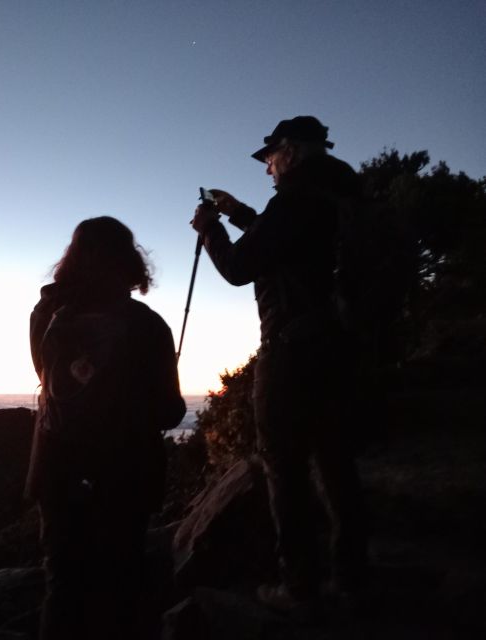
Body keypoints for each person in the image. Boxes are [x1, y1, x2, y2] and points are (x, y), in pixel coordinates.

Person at [191, 116, 369, 614]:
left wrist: (209, 230)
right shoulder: (342, 196)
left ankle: (299, 586)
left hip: (292, 352)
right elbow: (288, 246)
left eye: (270, 158)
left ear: (289, 151)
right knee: (336, 460)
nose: (268, 169)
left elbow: (238, 268)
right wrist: (239, 212)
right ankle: (352, 576)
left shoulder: (292, 201)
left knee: (284, 467)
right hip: (341, 345)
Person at [27, 216, 186, 640]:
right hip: (125, 473)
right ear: (129, 261)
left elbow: (49, 379)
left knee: (62, 586)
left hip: (57, 467)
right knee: (120, 585)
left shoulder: (45, 314)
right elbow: (169, 412)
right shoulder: (149, 325)